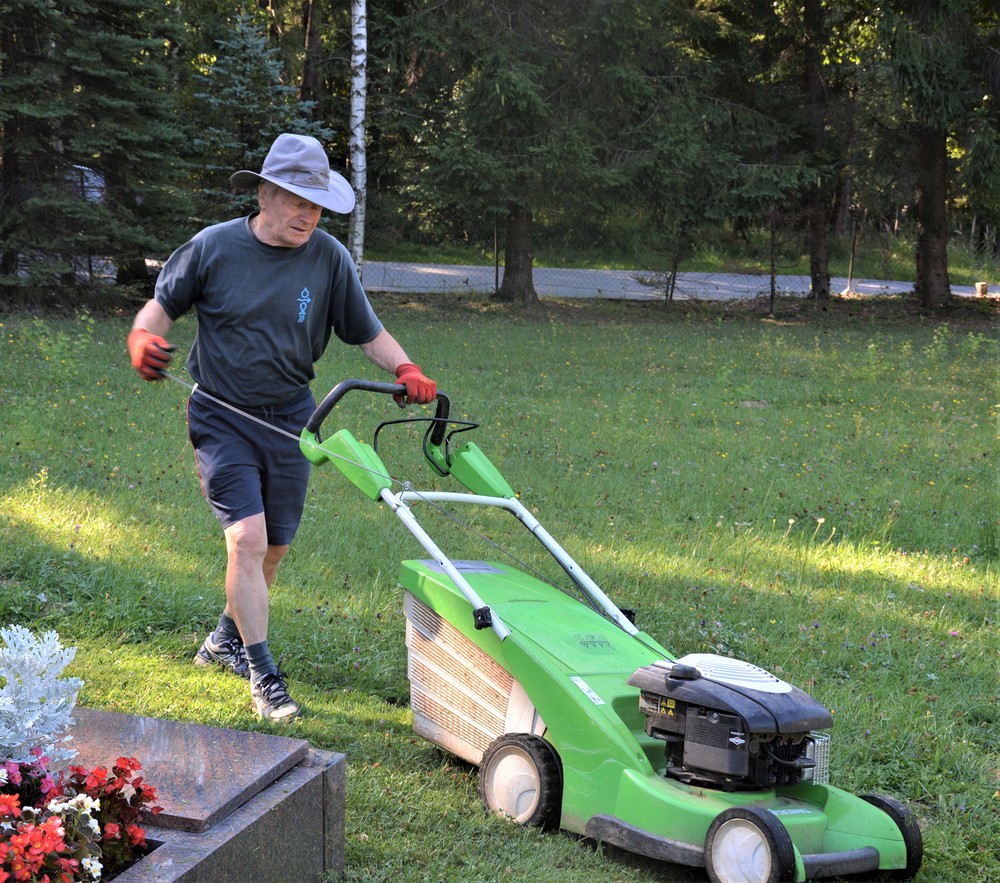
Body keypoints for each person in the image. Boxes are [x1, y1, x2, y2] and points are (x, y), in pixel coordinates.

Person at [127, 133, 436, 722]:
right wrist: (142, 337)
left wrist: (406, 367)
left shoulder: (328, 258)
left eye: (316, 205)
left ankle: (224, 641)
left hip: (294, 417)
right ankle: (264, 677)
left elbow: (366, 331)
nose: (308, 215)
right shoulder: (213, 247)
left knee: (274, 549)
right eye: (297, 201)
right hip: (221, 414)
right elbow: (159, 309)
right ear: (264, 195)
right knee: (247, 539)